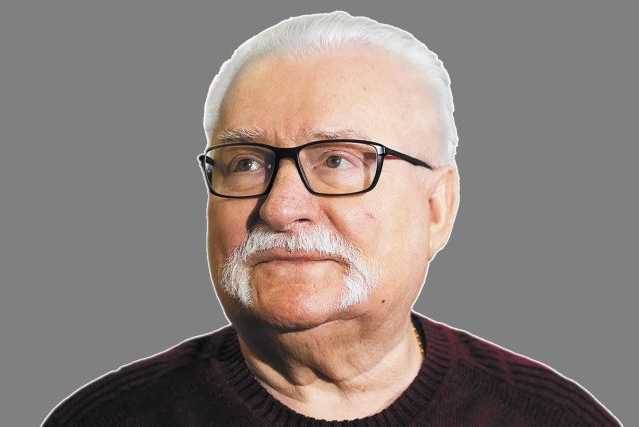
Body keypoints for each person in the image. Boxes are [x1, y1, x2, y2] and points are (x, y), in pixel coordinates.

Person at [43, 11, 620, 426]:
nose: (279, 207)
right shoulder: (105, 418)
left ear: (437, 208)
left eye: (338, 160)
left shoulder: (551, 417)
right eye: (246, 163)